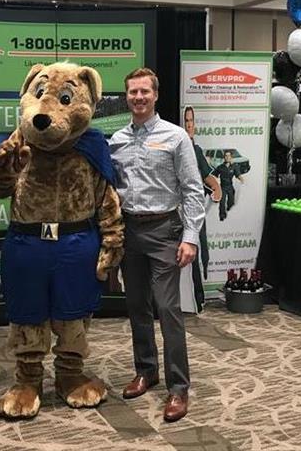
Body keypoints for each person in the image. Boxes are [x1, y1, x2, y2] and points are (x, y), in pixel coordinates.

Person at [109, 68, 204, 423]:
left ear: (156, 95)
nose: (138, 97)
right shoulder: (116, 140)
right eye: (132, 92)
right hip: (129, 231)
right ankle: (146, 371)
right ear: (127, 96)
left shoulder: (176, 137)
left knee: (167, 310)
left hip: (165, 230)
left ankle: (178, 388)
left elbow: (194, 191)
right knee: (137, 307)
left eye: (144, 91)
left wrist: (190, 238)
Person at [182, 106, 217, 307]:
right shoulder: (176, 145)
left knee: (195, 250)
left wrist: (217, 187)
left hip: (195, 209)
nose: (189, 124)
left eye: (191, 120)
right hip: (177, 210)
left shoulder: (195, 150)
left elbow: (207, 176)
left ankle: (198, 298)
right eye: (186, 120)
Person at [213, 151, 244, 221]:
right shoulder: (220, 167)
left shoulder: (234, 166)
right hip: (222, 187)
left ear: (231, 157)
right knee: (222, 202)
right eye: (226, 156)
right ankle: (222, 215)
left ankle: (229, 210)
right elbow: (214, 175)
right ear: (224, 158)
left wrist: (242, 179)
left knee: (231, 201)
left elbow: (238, 175)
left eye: (228, 156)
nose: (227, 157)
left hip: (230, 186)